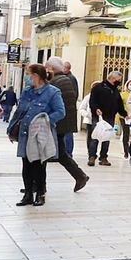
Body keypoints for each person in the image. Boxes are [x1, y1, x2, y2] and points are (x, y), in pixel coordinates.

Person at [11, 64, 64, 206]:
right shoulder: (27, 91)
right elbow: (19, 111)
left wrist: (45, 121)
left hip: (41, 133)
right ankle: (28, 194)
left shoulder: (52, 92)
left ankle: (40, 193)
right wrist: (11, 127)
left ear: (36, 76)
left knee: (39, 165)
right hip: (25, 132)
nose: (28, 78)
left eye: (29, 74)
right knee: (26, 164)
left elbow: (60, 112)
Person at [44, 58, 89, 193]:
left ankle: (39, 185)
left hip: (57, 123)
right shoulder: (66, 80)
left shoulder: (57, 82)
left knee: (44, 152)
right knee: (61, 153)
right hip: (63, 122)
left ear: (51, 69)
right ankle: (79, 175)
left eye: (46, 68)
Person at [86, 70, 126, 166]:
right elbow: (92, 101)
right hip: (98, 117)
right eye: (118, 80)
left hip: (110, 117)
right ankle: (92, 156)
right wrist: (96, 109)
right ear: (112, 78)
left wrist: (124, 113)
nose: (119, 82)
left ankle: (103, 157)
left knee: (107, 137)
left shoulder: (115, 90)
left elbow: (119, 104)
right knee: (95, 137)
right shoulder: (98, 88)